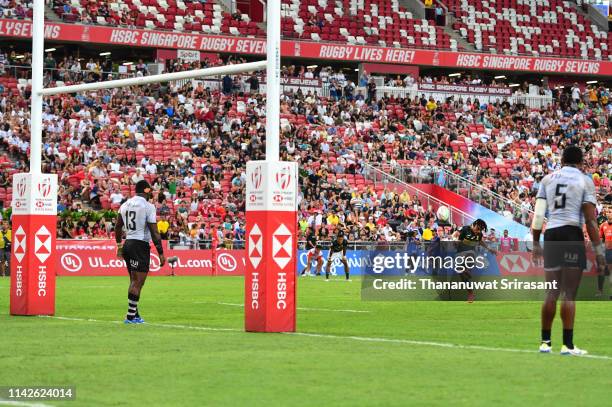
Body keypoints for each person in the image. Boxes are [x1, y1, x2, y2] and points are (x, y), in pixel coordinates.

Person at [532, 146, 606, 356]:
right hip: (572, 233)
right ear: (581, 162)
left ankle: (545, 343)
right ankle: (568, 345)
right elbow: (591, 221)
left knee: (551, 292)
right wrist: (599, 251)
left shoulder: (547, 180)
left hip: (552, 233)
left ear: (562, 160)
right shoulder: (585, 181)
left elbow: (538, 217)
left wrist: (536, 243)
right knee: (569, 294)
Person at [115, 180, 166, 324]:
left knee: (134, 281)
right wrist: (160, 252)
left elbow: (118, 227)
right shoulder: (148, 206)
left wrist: (119, 245)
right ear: (146, 191)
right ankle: (130, 317)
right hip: (140, 245)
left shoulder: (124, 204)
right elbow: (154, 231)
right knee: (138, 282)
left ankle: (135, 315)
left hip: (128, 244)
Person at [452, 219, 498, 303]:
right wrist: (454, 239)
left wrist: (489, 249)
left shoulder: (479, 234)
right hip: (460, 253)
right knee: (462, 274)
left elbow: (480, 242)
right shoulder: (465, 229)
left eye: (480, 230)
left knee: (470, 255)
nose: (479, 231)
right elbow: (454, 234)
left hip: (470, 253)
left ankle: (467, 271)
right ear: (475, 224)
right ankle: (470, 293)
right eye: (478, 228)